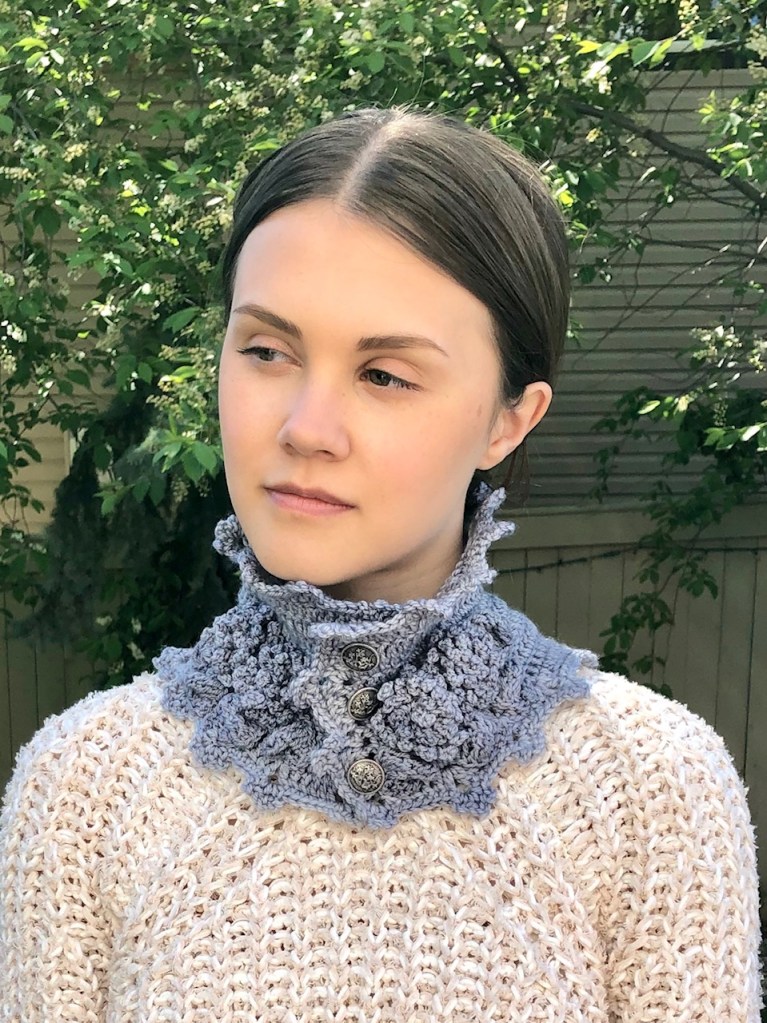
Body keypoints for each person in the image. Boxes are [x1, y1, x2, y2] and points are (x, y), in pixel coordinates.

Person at [0, 105, 762, 1022]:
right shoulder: (84, 787)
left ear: (508, 420)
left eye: (384, 375)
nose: (305, 429)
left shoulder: (648, 787)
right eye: (267, 351)